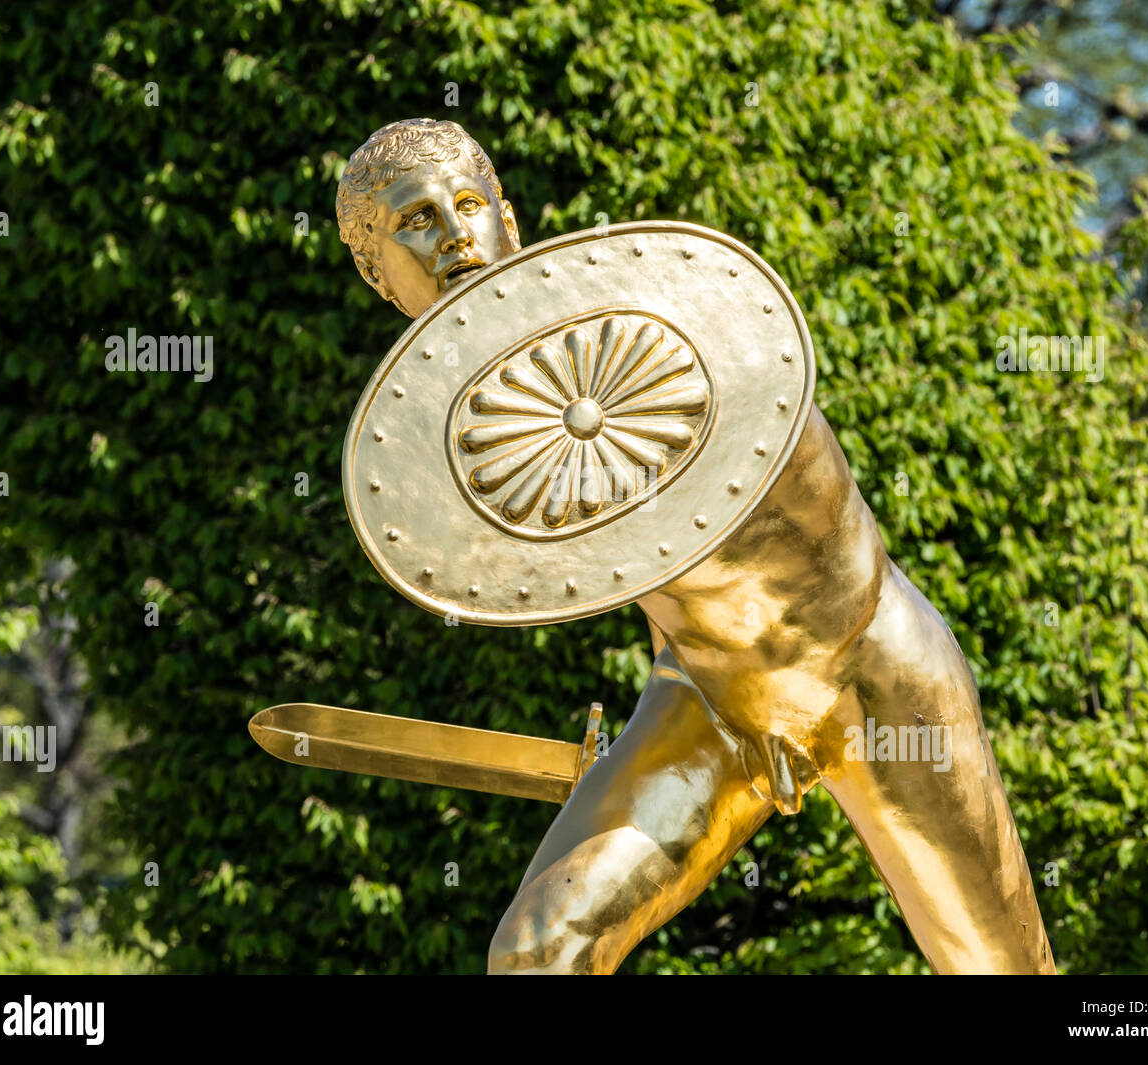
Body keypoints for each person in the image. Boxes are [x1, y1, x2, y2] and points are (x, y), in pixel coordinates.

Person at [336, 117, 1057, 975]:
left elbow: (813, 498)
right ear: (381, 278)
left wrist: (788, 686)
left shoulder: (638, 301)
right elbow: (648, 569)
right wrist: (721, 686)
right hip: (710, 696)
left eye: (467, 204)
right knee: (537, 954)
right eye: (417, 221)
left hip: (869, 661)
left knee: (999, 968)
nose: (454, 235)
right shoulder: (461, 437)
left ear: (510, 217)